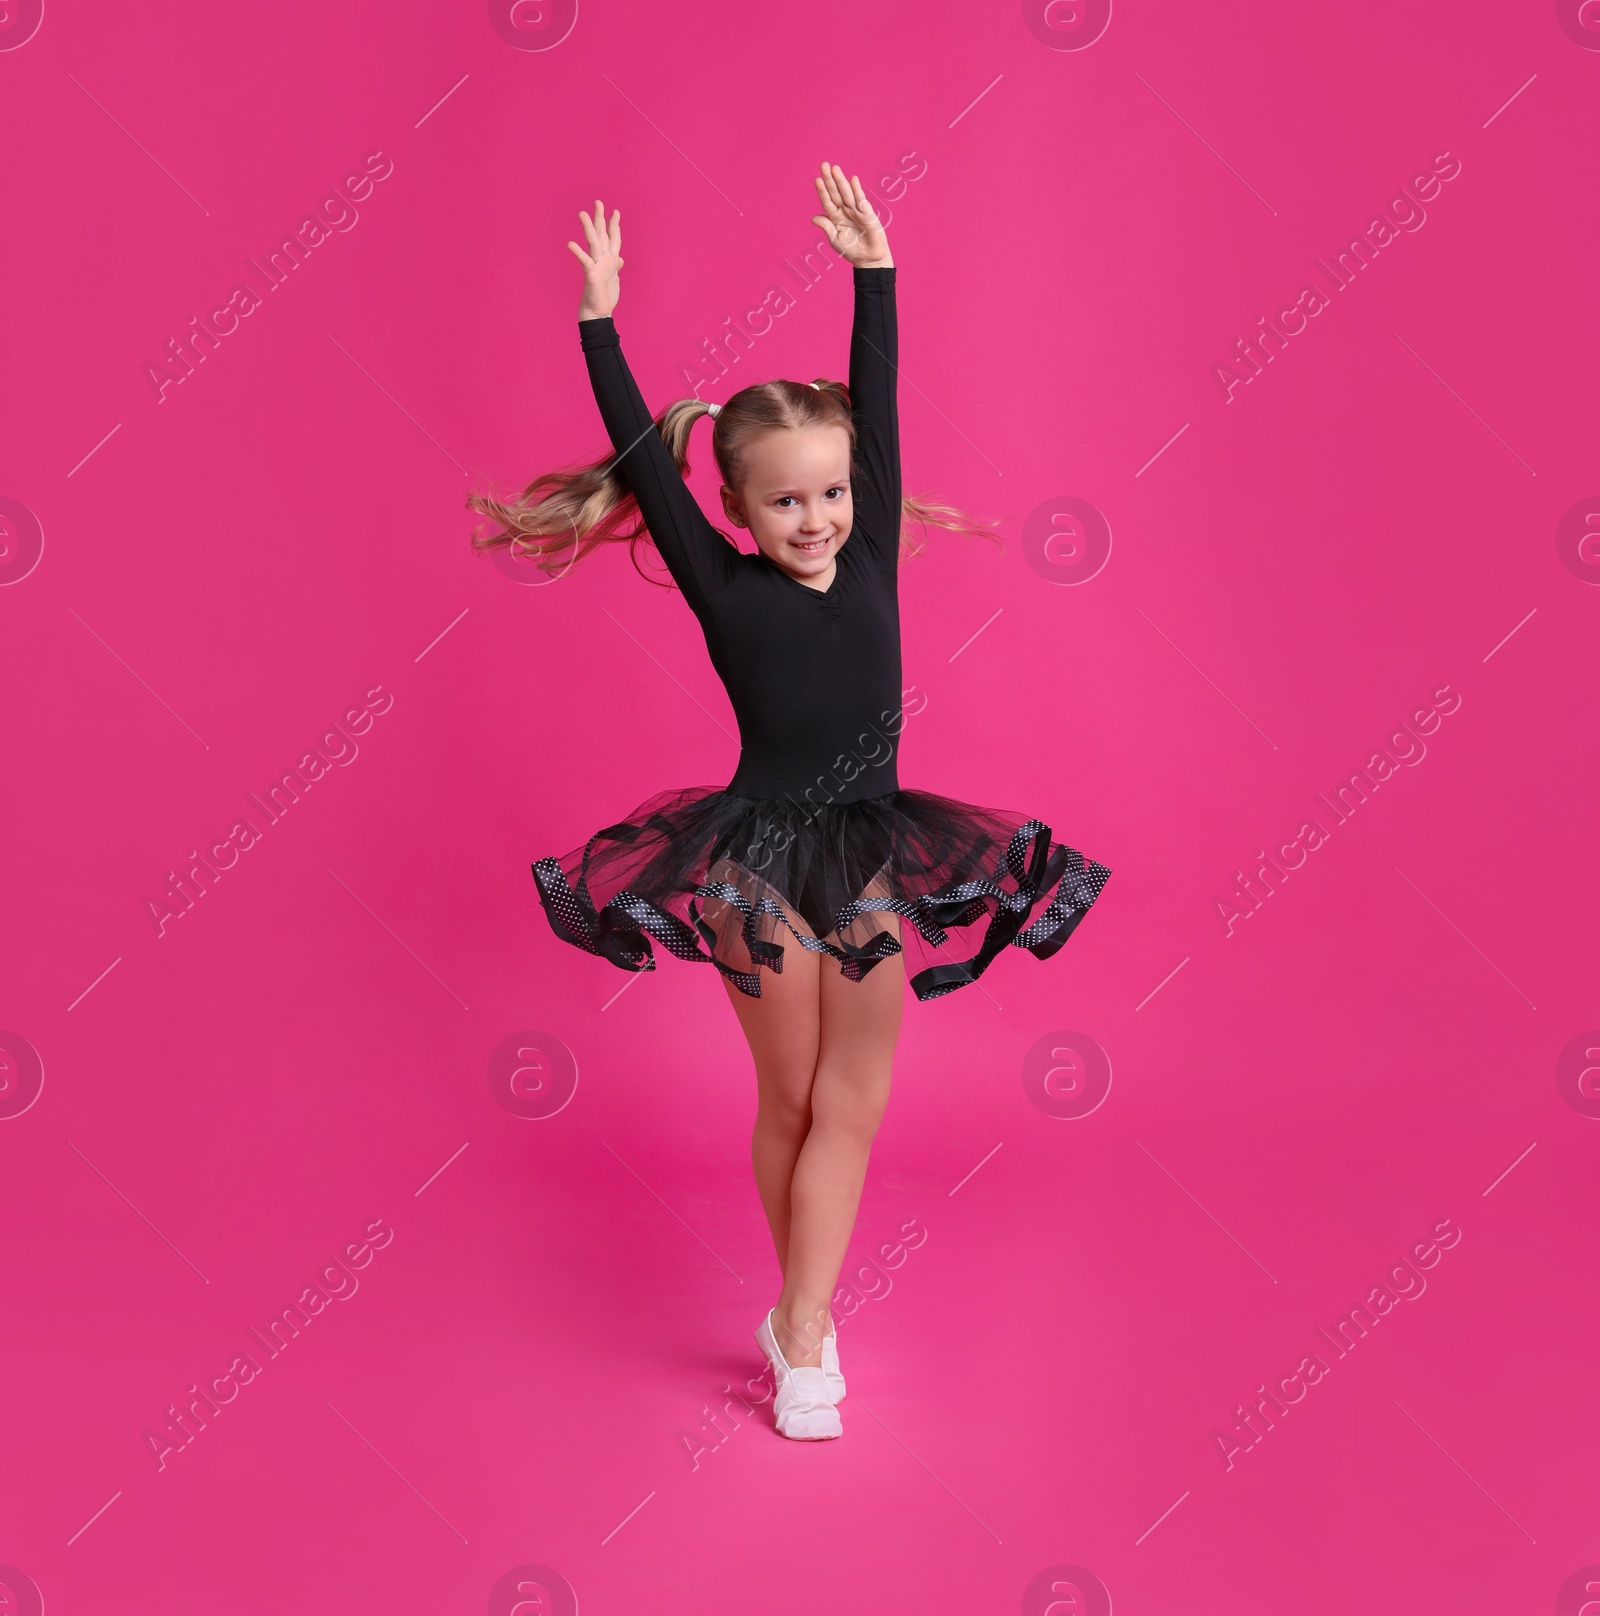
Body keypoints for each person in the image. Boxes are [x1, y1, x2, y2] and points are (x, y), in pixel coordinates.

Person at [471, 162, 1111, 1441]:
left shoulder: (868, 542)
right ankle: (807, 1336)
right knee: (792, 1098)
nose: (815, 516)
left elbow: (875, 407)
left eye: (829, 492)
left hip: (872, 857)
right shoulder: (724, 587)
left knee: (853, 1103)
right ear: (738, 513)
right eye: (785, 500)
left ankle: (793, 1313)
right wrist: (599, 322)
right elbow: (645, 460)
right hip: (754, 868)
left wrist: (873, 272)